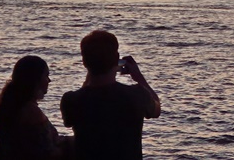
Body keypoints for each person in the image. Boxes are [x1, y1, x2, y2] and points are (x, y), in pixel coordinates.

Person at [60, 30, 160, 160]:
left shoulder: (71, 100)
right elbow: (156, 109)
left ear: (84, 62)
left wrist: (92, 72)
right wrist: (138, 77)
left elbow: (69, 121)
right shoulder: (138, 95)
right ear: (116, 58)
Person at [0, 55, 68, 160]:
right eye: (46, 76)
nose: (49, 80)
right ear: (36, 79)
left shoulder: (12, 105)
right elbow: (46, 152)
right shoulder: (31, 112)